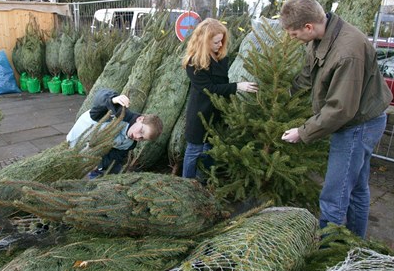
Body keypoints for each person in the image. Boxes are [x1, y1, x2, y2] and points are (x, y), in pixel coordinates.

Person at [279, 0, 393, 238]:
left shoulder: (347, 52)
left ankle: (327, 255)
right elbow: (307, 76)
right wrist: (283, 96)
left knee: (334, 196)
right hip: (355, 120)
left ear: (308, 26)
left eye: (294, 34)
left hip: (358, 126)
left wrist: (303, 132)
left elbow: (341, 109)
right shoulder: (320, 37)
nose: (293, 39)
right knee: (358, 187)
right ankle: (355, 244)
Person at [181, 18, 258, 180]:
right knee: (194, 151)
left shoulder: (221, 57)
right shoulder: (193, 63)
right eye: (216, 42)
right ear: (204, 40)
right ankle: (186, 183)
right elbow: (209, 89)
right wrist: (238, 87)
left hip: (217, 112)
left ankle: (205, 181)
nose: (220, 45)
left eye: (222, 41)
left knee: (210, 149)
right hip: (200, 113)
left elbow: (221, 84)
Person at [67, 88, 163, 178]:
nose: (137, 136)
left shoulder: (129, 143)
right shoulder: (117, 111)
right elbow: (100, 95)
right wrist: (112, 99)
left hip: (88, 157)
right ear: (140, 119)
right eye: (141, 131)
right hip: (74, 143)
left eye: (142, 138)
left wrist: (100, 165)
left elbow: (115, 159)